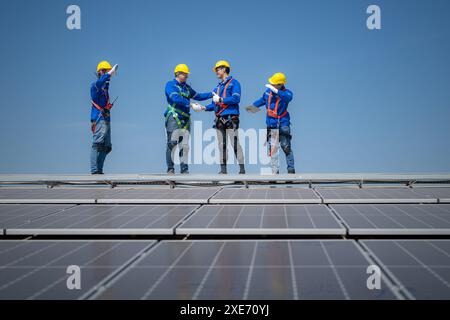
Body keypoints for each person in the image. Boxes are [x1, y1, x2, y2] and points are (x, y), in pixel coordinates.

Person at [164, 64, 212, 174]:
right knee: (172, 143)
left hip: (185, 120)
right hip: (174, 117)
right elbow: (175, 98)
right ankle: (170, 169)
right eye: (185, 74)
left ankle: (184, 170)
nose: (187, 76)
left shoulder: (186, 88)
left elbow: (198, 96)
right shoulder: (170, 85)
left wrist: (212, 93)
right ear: (178, 74)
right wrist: (190, 105)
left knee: (184, 146)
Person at [246, 72, 295, 174]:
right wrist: (252, 107)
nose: (271, 85)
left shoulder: (287, 93)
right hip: (272, 125)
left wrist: (277, 91)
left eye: (274, 84)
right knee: (273, 150)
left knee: (286, 147)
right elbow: (262, 100)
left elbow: (288, 98)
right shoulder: (268, 92)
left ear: (280, 84)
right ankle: (274, 173)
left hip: (283, 124)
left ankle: (291, 172)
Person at [204, 60, 245, 174]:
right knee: (221, 145)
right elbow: (214, 104)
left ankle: (242, 171)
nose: (216, 71)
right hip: (219, 120)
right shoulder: (217, 88)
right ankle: (223, 171)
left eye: (218, 69)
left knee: (235, 143)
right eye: (216, 69)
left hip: (231, 118)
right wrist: (203, 108)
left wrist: (221, 99)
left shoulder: (234, 83)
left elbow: (236, 98)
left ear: (224, 69)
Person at [90, 61, 118, 175]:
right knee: (97, 144)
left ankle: (99, 170)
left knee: (106, 147)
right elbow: (100, 82)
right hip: (99, 118)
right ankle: (94, 170)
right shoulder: (95, 85)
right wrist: (109, 74)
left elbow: (104, 84)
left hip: (105, 118)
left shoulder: (105, 88)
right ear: (100, 72)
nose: (109, 74)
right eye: (106, 70)